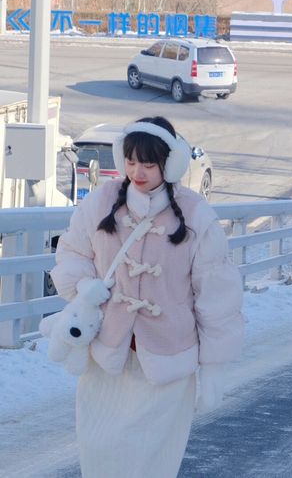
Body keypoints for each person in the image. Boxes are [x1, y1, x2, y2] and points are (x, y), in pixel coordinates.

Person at [50, 116, 244, 478]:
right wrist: (82, 285)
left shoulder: (195, 215)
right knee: (100, 447)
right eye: (131, 160)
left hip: (168, 360)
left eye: (149, 163)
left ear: (170, 164)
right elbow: (72, 253)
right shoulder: (102, 202)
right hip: (107, 356)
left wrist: (214, 367)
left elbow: (217, 294)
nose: (137, 171)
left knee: (148, 459)